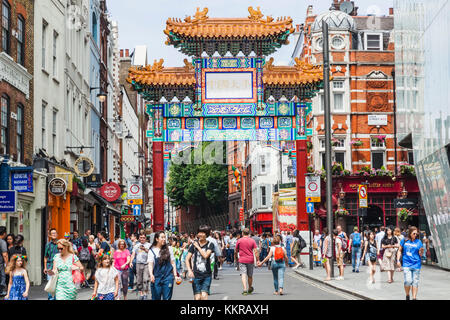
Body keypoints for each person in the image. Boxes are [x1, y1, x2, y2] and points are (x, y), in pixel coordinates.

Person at [148, 231, 180, 300]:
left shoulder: (169, 249)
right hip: (156, 278)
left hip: (168, 277)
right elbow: (150, 264)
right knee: (156, 297)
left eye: (164, 237)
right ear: (156, 239)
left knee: (167, 298)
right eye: (162, 237)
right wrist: (151, 275)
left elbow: (173, 263)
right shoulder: (152, 250)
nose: (164, 239)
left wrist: (175, 275)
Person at [185, 225, 215, 300]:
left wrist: (198, 247)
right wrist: (189, 270)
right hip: (196, 275)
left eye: (203, 233)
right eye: (199, 232)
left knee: (204, 296)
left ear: (207, 234)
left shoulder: (210, 244)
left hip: (206, 275)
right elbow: (187, 258)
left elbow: (205, 256)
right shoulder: (193, 245)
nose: (200, 234)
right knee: (197, 297)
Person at [397, 226, 424, 300]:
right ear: (410, 233)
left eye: (416, 234)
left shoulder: (419, 242)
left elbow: (420, 254)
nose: (415, 235)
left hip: (416, 264)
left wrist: (421, 251)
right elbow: (399, 250)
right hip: (406, 264)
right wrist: (398, 260)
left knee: (415, 282)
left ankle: (414, 298)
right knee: (408, 281)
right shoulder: (404, 240)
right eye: (414, 233)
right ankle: (407, 295)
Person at [235, 228, 259, 295]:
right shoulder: (252, 241)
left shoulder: (239, 240)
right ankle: (250, 287)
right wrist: (258, 260)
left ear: (242, 233)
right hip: (250, 259)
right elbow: (256, 251)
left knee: (243, 274)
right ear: (249, 233)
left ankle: (245, 289)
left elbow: (235, 251)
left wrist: (236, 258)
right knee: (250, 275)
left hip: (242, 259)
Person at [130, 233, 151, 300]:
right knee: (139, 280)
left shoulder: (149, 245)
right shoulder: (136, 245)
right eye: (141, 237)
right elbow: (133, 254)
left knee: (145, 279)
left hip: (146, 264)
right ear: (139, 238)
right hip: (138, 264)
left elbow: (151, 254)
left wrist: (145, 249)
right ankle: (141, 294)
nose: (142, 239)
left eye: (143, 237)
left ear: (146, 238)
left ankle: (145, 293)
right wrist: (130, 262)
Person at [43, 228, 59, 300]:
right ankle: (51, 298)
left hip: (58, 267)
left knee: (57, 284)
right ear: (49, 235)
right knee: (50, 283)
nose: (54, 234)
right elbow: (45, 257)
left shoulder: (60, 244)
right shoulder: (48, 245)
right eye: (52, 233)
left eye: (55, 233)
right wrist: (45, 267)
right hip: (50, 266)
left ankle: (56, 298)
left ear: (57, 234)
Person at [0, 226, 9, 297]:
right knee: (2, 277)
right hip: (0, 263)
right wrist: (8, 265)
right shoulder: (2, 242)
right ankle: (2, 291)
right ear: (4, 233)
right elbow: (5, 254)